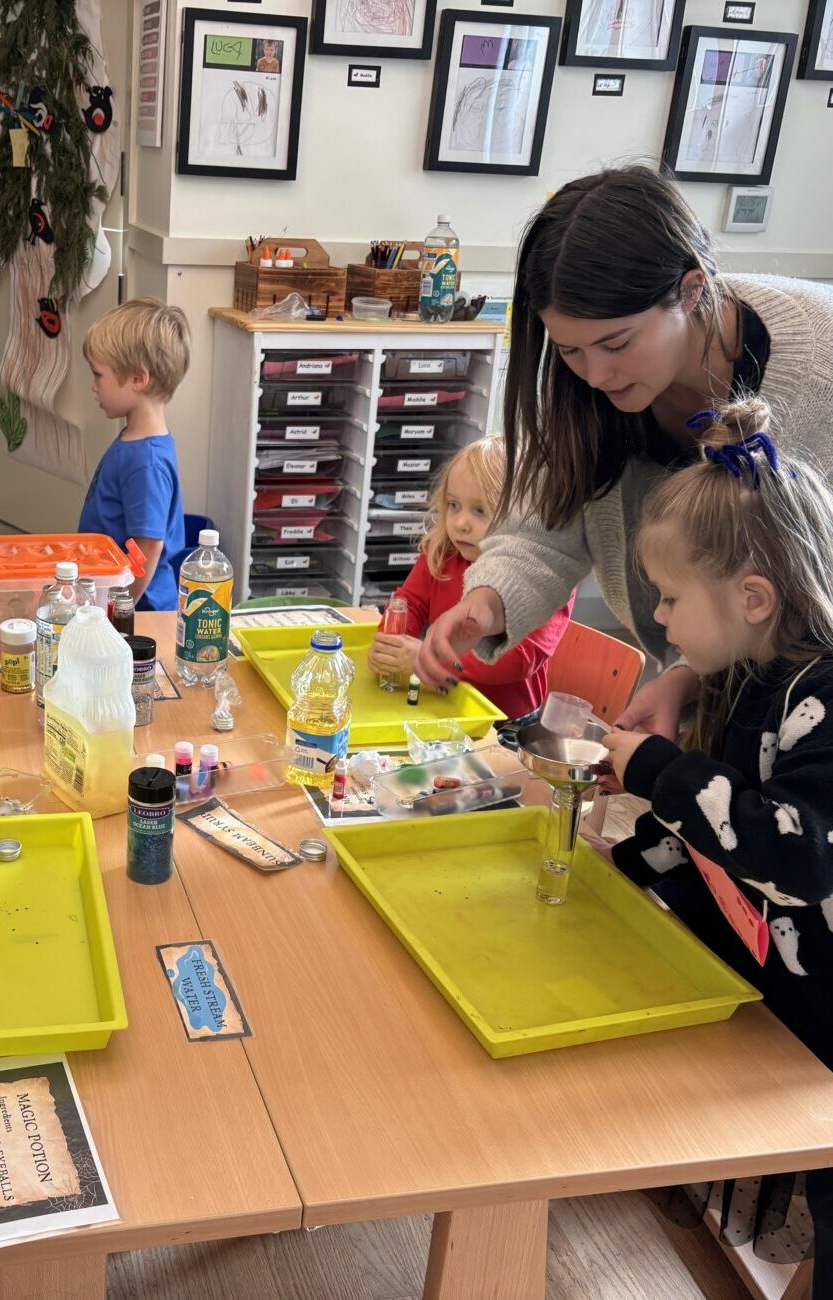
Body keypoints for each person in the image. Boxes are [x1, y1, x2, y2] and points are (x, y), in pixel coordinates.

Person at [414, 165, 833, 742]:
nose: (595, 374)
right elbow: (551, 521)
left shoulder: (819, 366)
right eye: (570, 351)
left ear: (691, 291)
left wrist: (690, 678)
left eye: (616, 344)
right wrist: (488, 600)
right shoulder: (586, 382)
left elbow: (804, 598)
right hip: (718, 684)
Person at [596, 401, 833, 1290]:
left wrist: (658, 769)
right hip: (776, 1001)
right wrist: (619, 873)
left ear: (753, 599)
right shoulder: (753, 674)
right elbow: (713, 839)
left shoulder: (821, 698)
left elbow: (794, 853)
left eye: (669, 597)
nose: (659, 620)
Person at [367, 437, 573, 718]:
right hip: (442, 702)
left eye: (480, 511)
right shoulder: (443, 551)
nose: (460, 523)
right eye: (454, 505)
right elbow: (409, 603)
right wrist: (390, 645)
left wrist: (428, 658)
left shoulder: (547, 577)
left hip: (505, 723)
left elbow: (518, 659)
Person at [78, 298, 189, 611]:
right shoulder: (135, 442)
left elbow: (148, 548)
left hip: (139, 611)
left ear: (139, 379)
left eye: (98, 375)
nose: (93, 386)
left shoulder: (146, 462)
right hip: (114, 595)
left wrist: (116, 613)